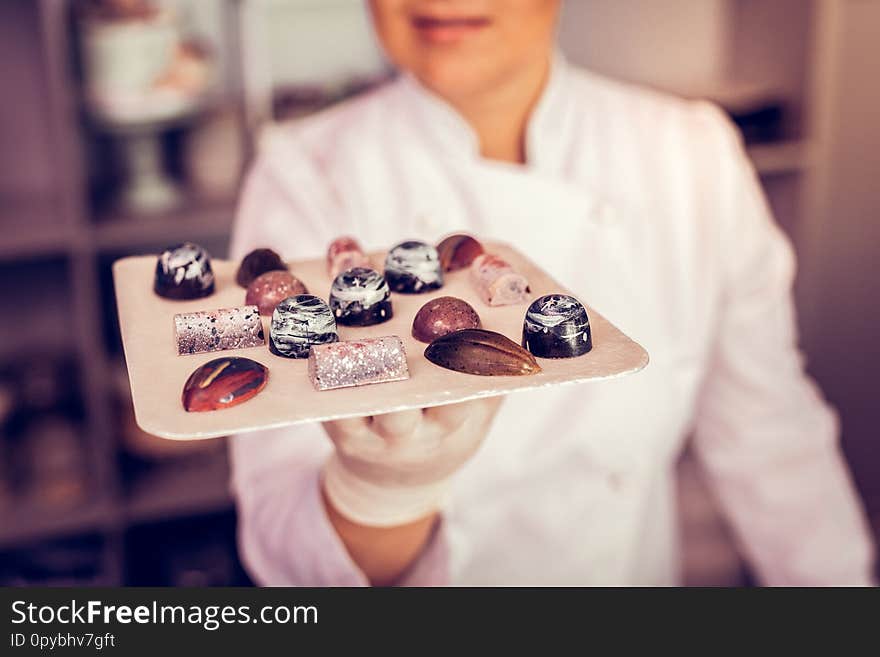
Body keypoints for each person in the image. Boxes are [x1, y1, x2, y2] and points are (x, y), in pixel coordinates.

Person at [229, 0, 876, 586]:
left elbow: (772, 442)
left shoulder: (689, 157)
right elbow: (283, 552)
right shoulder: (303, 172)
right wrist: (382, 490)